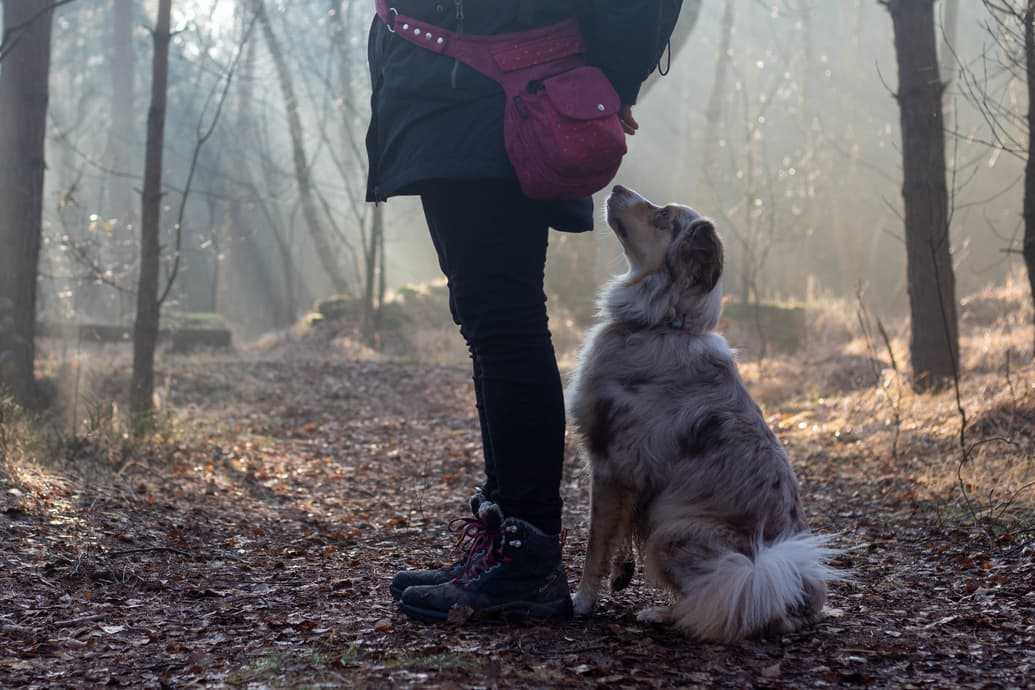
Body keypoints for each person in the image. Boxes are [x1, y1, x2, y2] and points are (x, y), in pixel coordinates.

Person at [365, 0, 680, 623]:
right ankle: (507, 540)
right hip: (451, 89)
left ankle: (527, 560)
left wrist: (612, 80)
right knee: (489, 320)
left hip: (494, 94)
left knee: (504, 322)